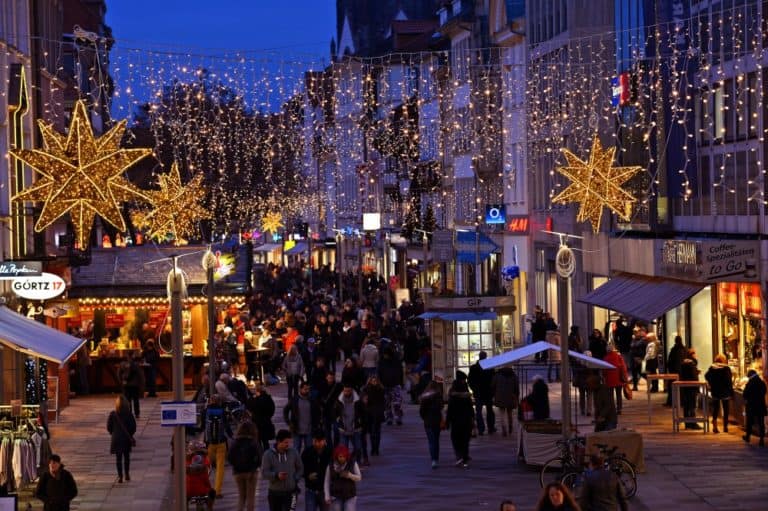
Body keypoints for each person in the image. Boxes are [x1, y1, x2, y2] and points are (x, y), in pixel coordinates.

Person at [262, 429, 304, 511]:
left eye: (289, 442)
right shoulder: (268, 455)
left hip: (292, 493)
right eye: (285, 442)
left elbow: (300, 468)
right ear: (278, 441)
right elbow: (264, 473)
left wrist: (295, 478)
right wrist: (276, 475)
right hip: (275, 493)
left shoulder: (294, 452)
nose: (288, 444)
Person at [228, 421, 262, 511]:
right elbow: (259, 458)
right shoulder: (253, 442)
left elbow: (230, 458)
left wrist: (236, 466)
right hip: (251, 472)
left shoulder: (234, 443)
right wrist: (254, 467)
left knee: (241, 497)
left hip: (238, 473)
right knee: (251, 497)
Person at [204, 396, 233, 497]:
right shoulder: (222, 411)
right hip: (221, 443)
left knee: (207, 467)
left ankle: (206, 489)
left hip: (209, 444)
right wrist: (231, 436)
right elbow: (227, 427)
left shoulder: (206, 411)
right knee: (220, 468)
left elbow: (202, 426)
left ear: (210, 401)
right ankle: (217, 490)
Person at [284, 381, 321, 455]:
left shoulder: (312, 400)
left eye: (308, 389)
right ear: (300, 389)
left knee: (309, 451)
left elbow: (318, 413)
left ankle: (307, 465)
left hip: (309, 430)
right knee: (296, 449)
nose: (307, 391)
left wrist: (316, 424)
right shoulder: (295, 400)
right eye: (305, 389)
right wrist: (289, 422)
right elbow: (286, 410)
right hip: (297, 429)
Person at [106, 395, 137, 483]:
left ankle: (120, 476)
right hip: (126, 439)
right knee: (126, 457)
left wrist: (114, 433)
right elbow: (133, 427)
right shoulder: (129, 414)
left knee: (118, 458)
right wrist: (130, 434)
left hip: (116, 439)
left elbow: (109, 427)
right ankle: (127, 474)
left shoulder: (113, 414)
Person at [445, 377, 474, 468]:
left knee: (456, 440)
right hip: (466, 421)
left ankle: (459, 456)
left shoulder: (453, 398)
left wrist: (447, 422)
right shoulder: (467, 398)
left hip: (456, 422)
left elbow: (449, 411)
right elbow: (471, 410)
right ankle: (465, 458)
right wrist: (473, 419)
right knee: (465, 441)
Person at [323, 444, 362, 511]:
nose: (342, 458)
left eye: (344, 456)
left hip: (350, 495)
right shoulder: (331, 465)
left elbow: (359, 477)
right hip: (336, 495)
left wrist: (350, 475)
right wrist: (327, 496)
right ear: (336, 456)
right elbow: (326, 481)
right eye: (340, 456)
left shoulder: (352, 463)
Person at [334, 385, 366, 464]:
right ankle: (346, 464)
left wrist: (361, 422)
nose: (346, 392)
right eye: (345, 391)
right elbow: (334, 412)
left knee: (358, 448)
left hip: (355, 428)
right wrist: (338, 421)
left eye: (348, 391)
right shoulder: (339, 401)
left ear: (351, 391)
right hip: (343, 429)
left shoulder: (357, 401)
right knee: (344, 450)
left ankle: (355, 462)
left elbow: (363, 413)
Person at [302, 431, 332, 511]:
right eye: (315, 441)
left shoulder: (330, 452)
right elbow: (300, 469)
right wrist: (307, 475)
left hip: (325, 490)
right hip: (310, 489)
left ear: (324, 440)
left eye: (320, 441)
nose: (317, 444)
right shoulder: (307, 453)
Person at [468, 351, 496, 435]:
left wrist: (474, 389)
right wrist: (492, 390)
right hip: (488, 392)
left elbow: (470, 380)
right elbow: (493, 380)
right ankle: (491, 428)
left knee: (479, 411)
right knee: (490, 410)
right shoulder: (490, 367)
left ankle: (481, 429)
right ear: (486, 357)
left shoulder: (473, 368)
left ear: (479, 357)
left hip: (478, 392)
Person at [704, 353, 733, 433]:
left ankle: (715, 426)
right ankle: (725, 427)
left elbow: (706, 376)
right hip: (725, 392)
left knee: (715, 409)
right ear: (724, 360)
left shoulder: (712, 368)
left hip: (715, 391)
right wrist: (731, 392)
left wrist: (711, 383)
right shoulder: (726, 368)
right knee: (726, 409)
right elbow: (729, 381)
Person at [419, 379, 444, 469]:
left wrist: (425, 418)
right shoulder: (438, 396)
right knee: (436, 440)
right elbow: (441, 406)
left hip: (428, 421)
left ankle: (433, 459)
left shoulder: (424, 397)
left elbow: (421, 411)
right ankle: (435, 459)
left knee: (431, 441)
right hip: (437, 420)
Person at [246, 381, 276, 451]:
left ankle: (259, 456)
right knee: (265, 441)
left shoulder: (254, 400)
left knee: (257, 441)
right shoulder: (268, 399)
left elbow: (249, 406)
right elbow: (272, 409)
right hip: (266, 421)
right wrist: (268, 416)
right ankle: (266, 455)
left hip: (256, 422)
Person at [360, 375, 386, 459]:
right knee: (371, 432)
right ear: (370, 381)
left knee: (377, 432)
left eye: (375, 380)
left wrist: (382, 410)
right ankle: (373, 448)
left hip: (378, 413)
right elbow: (363, 401)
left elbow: (383, 402)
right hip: (369, 414)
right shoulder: (366, 389)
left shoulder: (381, 390)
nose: (374, 382)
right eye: (373, 380)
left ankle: (376, 449)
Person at [742, 369, 767, 446]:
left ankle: (748, 436)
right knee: (761, 422)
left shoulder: (749, 383)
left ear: (750, 376)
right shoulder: (762, 383)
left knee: (749, 422)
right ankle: (762, 439)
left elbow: (745, 394)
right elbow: (764, 392)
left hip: (751, 406)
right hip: (760, 405)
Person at [492, 367, 519, 437]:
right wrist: (517, 396)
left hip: (500, 397)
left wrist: (494, 394)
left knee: (502, 413)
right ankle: (510, 426)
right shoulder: (514, 376)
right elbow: (517, 388)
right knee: (510, 413)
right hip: (510, 397)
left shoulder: (497, 376)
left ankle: (504, 428)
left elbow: (492, 386)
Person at [603, 344, 627, 414]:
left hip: (609, 380)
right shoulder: (618, 356)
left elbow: (604, 370)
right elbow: (623, 367)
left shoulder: (605, 358)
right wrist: (625, 377)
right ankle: (619, 409)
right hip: (619, 378)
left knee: (610, 395)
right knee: (619, 394)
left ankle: (612, 408)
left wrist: (604, 376)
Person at [679, 351, 701, 429]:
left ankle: (687, 423)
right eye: (695, 354)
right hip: (692, 388)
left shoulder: (684, 363)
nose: (696, 356)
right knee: (692, 405)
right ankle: (693, 423)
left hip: (685, 388)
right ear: (692, 355)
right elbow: (693, 377)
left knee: (687, 406)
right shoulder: (691, 364)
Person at [665, 335, 687, 406]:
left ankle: (672, 402)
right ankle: (681, 402)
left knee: (673, 387)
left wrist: (669, 369)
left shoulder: (674, 350)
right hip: (682, 372)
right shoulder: (684, 349)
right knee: (681, 388)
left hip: (674, 372)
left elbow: (670, 361)